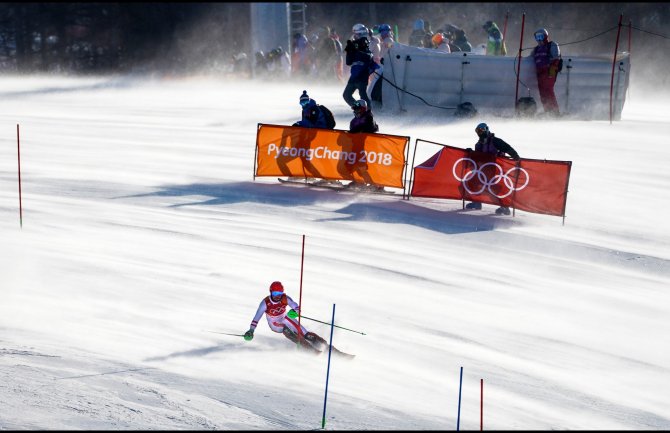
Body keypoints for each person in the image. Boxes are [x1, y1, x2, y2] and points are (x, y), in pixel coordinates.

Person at [244, 281, 330, 354]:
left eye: (279, 293)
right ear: (271, 292)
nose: (277, 296)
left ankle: (326, 346)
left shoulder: (285, 298)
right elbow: (256, 318)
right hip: (274, 322)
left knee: (305, 333)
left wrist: (295, 312)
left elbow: (296, 307)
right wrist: (251, 330)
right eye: (275, 293)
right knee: (286, 330)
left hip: (285, 317)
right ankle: (309, 349)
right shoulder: (265, 303)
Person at [464, 122, 520, 215]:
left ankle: (505, 207)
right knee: (473, 182)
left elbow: (507, 148)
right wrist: (471, 153)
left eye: (481, 130)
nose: (479, 133)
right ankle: (477, 202)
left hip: (496, 168)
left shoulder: (495, 141)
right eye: (477, 131)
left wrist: (515, 156)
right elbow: (478, 156)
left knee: (495, 187)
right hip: (483, 169)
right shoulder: (478, 144)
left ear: (486, 129)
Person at [344, 100, 383, 192]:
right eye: (355, 109)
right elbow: (352, 133)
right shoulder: (353, 121)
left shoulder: (369, 117)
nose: (356, 111)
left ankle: (377, 184)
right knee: (350, 165)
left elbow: (370, 128)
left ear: (363, 109)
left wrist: (357, 130)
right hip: (356, 147)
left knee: (365, 166)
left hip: (367, 148)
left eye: (358, 109)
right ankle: (359, 181)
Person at [343, 23, 379, 108]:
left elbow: (369, 57)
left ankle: (368, 112)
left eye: (355, 34)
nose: (354, 36)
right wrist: (350, 52)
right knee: (347, 95)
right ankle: (359, 108)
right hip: (355, 74)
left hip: (362, 74)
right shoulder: (355, 44)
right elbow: (348, 62)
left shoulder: (365, 43)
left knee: (362, 95)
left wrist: (354, 52)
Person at [531, 28, 561, 116]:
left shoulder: (552, 45)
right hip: (540, 74)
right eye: (537, 37)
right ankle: (547, 111)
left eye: (541, 36)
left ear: (545, 36)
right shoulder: (536, 49)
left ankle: (555, 112)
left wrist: (552, 71)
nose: (539, 39)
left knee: (548, 91)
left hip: (548, 72)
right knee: (542, 93)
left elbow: (556, 58)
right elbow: (530, 58)